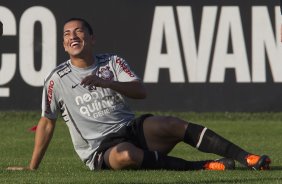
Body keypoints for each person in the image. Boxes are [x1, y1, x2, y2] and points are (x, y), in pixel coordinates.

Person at [7, 17, 271, 171]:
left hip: (131, 128)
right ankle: (203, 166)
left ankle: (246, 157)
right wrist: (33, 167)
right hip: (100, 148)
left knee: (172, 124)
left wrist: (106, 83)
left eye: (78, 31)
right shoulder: (56, 79)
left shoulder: (112, 62)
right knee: (126, 156)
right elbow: (47, 121)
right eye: (66, 34)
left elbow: (140, 92)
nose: (72, 36)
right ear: (64, 44)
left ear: (92, 38)